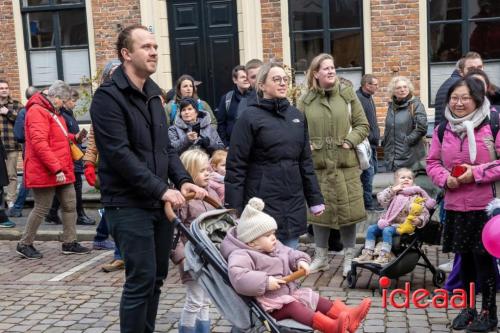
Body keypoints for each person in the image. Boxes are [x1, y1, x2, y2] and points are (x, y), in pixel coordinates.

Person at [89, 25, 207, 333]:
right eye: (146, 47)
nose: (154, 51)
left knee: (155, 278)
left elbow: (164, 148)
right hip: (127, 204)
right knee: (140, 279)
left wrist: (181, 179)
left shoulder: (155, 95)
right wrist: (162, 190)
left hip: (157, 202)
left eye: (155, 46)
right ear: (127, 54)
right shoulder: (107, 98)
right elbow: (119, 155)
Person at [221, 197, 371, 333]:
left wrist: (300, 261)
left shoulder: (273, 245)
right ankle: (329, 327)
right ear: (252, 241)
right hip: (268, 305)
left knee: (314, 298)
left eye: (273, 233)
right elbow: (239, 276)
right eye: (267, 236)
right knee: (294, 307)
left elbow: (289, 252)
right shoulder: (241, 255)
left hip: (286, 294)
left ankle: (350, 316)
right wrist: (265, 281)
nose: (273, 238)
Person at [225, 62, 325, 249]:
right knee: (265, 264)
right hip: (262, 201)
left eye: (285, 79)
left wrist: (315, 199)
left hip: (292, 198)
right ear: (261, 85)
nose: (282, 83)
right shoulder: (249, 117)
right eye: (276, 79)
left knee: (289, 258)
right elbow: (236, 165)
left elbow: (305, 162)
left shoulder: (297, 117)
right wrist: (234, 207)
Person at [427, 77, 499, 332]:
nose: (458, 103)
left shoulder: (493, 124)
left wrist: (475, 173)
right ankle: (468, 310)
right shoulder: (443, 129)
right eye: (454, 98)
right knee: (464, 261)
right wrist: (445, 179)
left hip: (486, 207)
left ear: (477, 99)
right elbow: (432, 162)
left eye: (464, 98)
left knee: (484, 261)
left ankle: (489, 312)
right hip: (456, 206)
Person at [297, 53, 369, 276]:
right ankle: (321, 257)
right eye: (325, 68)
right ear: (315, 73)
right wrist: (305, 144)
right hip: (318, 167)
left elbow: (362, 125)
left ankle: (349, 256)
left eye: (333, 68)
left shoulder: (347, 96)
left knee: (349, 212)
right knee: (320, 212)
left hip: (345, 165)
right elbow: (298, 130)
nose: (330, 71)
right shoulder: (306, 101)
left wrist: (349, 141)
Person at [16, 80, 91, 259]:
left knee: (70, 205)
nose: (65, 105)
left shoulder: (53, 111)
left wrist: (75, 138)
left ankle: (69, 241)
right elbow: (40, 143)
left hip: (61, 168)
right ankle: (24, 243)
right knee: (42, 207)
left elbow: (58, 138)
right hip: (47, 169)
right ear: (55, 98)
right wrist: (56, 169)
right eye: (63, 101)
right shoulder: (36, 111)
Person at [172, 149, 221, 333]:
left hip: (211, 256)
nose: (208, 173)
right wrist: (182, 257)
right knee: (194, 300)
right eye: (202, 171)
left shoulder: (212, 194)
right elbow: (174, 231)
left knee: (206, 299)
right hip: (192, 258)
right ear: (189, 173)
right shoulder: (183, 199)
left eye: (208, 169)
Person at [84, 59, 124, 273]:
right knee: (114, 212)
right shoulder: (101, 101)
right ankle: (120, 255)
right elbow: (93, 135)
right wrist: (89, 162)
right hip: (109, 168)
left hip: (130, 164)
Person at [354, 168, 435, 265]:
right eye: (402, 177)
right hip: (388, 222)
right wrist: (392, 190)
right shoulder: (393, 193)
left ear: (413, 182)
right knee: (371, 228)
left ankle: (385, 255)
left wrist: (420, 220)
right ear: (396, 181)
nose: (406, 179)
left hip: (402, 226)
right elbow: (381, 200)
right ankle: (368, 252)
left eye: (409, 178)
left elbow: (424, 212)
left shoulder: (416, 196)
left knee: (387, 231)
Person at [45, 89, 94, 226]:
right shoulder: (62, 117)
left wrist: (79, 138)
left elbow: (69, 136)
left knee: (66, 187)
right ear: (65, 101)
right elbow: (63, 137)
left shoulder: (68, 115)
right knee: (75, 186)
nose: (75, 104)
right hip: (69, 157)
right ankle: (79, 215)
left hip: (73, 154)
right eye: (73, 101)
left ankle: (52, 213)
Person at [382, 76, 428, 172]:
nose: (402, 90)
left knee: (409, 184)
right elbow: (389, 128)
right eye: (398, 88)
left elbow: (421, 128)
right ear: (393, 91)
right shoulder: (391, 107)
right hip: (392, 155)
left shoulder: (416, 105)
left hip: (410, 155)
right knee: (398, 184)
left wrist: (406, 142)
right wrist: (385, 142)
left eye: (405, 87)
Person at [8, 86, 38, 218]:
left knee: (29, 179)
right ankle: (17, 207)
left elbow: (19, 135)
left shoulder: (24, 111)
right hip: (33, 151)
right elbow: (19, 135)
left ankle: (18, 208)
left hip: (31, 150)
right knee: (28, 179)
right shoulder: (25, 111)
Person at [356, 74, 380, 210]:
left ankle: (365, 199)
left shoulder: (369, 98)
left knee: (373, 171)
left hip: (373, 144)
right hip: (366, 144)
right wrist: (368, 136)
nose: (377, 87)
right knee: (368, 174)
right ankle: (368, 204)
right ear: (367, 85)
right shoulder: (359, 99)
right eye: (375, 84)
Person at [0, 80, 22, 208]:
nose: (4, 90)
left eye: (6, 88)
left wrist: (7, 112)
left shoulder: (16, 105)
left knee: (12, 174)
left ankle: (10, 200)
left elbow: (23, 120)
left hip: (11, 145)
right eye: (1, 88)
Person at [216, 65, 250, 146]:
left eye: (247, 76)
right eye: (242, 77)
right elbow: (221, 124)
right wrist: (225, 144)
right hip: (232, 146)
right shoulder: (227, 99)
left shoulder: (257, 97)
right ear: (235, 80)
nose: (246, 79)